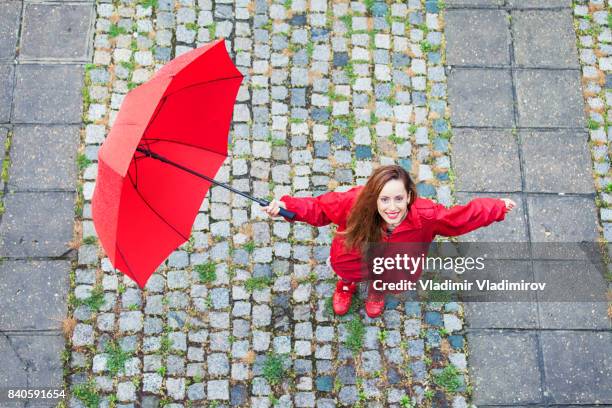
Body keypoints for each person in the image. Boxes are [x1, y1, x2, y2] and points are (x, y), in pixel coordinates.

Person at [262, 165, 516, 318]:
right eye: (384, 200)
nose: (392, 207)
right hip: (353, 258)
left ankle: (377, 291)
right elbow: (319, 209)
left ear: (409, 196)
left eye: (398, 199)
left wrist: (496, 208)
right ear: (374, 197)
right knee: (349, 273)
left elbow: (459, 219)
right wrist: (287, 207)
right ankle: (347, 286)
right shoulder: (354, 203)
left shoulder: (426, 216)